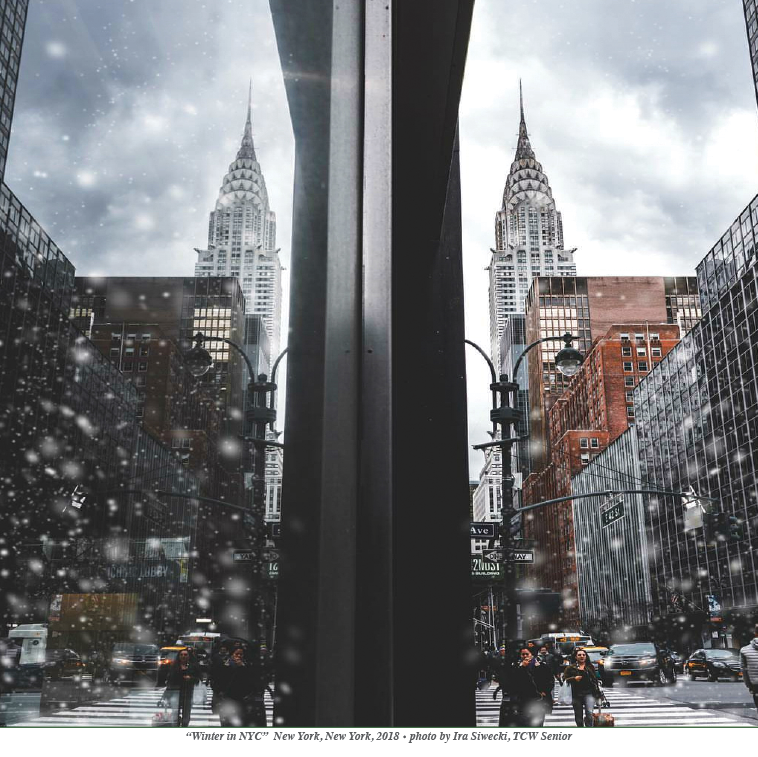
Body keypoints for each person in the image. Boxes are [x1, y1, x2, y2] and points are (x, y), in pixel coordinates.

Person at [219, 645, 266, 726]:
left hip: (243, 697)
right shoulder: (226, 664)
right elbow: (221, 678)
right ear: (232, 654)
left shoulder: (246, 665)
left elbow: (251, 679)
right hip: (229, 697)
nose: (239, 656)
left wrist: (242, 667)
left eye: (241, 654)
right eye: (237, 654)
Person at [511, 647, 553, 727]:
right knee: (525, 722)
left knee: (538, 722)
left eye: (527, 654)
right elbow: (514, 681)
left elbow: (549, 680)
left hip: (539, 698)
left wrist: (545, 691)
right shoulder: (516, 666)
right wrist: (522, 667)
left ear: (532, 655)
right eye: (523, 654)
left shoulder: (541, 665)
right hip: (523, 699)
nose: (525, 656)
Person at [562, 648, 601, 727]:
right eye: (579, 655)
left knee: (589, 713)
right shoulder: (570, 668)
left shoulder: (590, 667)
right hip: (576, 694)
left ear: (586, 657)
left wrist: (598, 694)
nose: (582, 656)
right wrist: (574, 678)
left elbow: (595, 680)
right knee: (578, 715)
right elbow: (564, 679)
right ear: (576, 657)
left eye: (583, 655)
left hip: (589, 693)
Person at [165, 648, 201, 727]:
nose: (183, 656)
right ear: (178, 656)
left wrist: (190, 678)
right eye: (181, 655)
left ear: (189, 656)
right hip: (175, 692)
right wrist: (166, 694)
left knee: (186, 713)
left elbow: (198, 679)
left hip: (187, 693)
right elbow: (169, 680)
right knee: (175, 712)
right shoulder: (174, 666)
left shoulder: (193, 666)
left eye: (185, 655)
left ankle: (185, 726)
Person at [740, 623, 758, 714]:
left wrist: (749, 685)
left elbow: (744, 669)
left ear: (755, 633)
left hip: (755, 685)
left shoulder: (744, 650)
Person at [209, 642, 231, 714]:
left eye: (224, 649)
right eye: (222, 649)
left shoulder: (228, 657)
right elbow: (212, 668)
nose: (223, 650)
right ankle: (215, 708)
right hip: (216, 678)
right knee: (216, 694)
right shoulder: (216, 657)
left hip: (225, 678)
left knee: (223, 694)